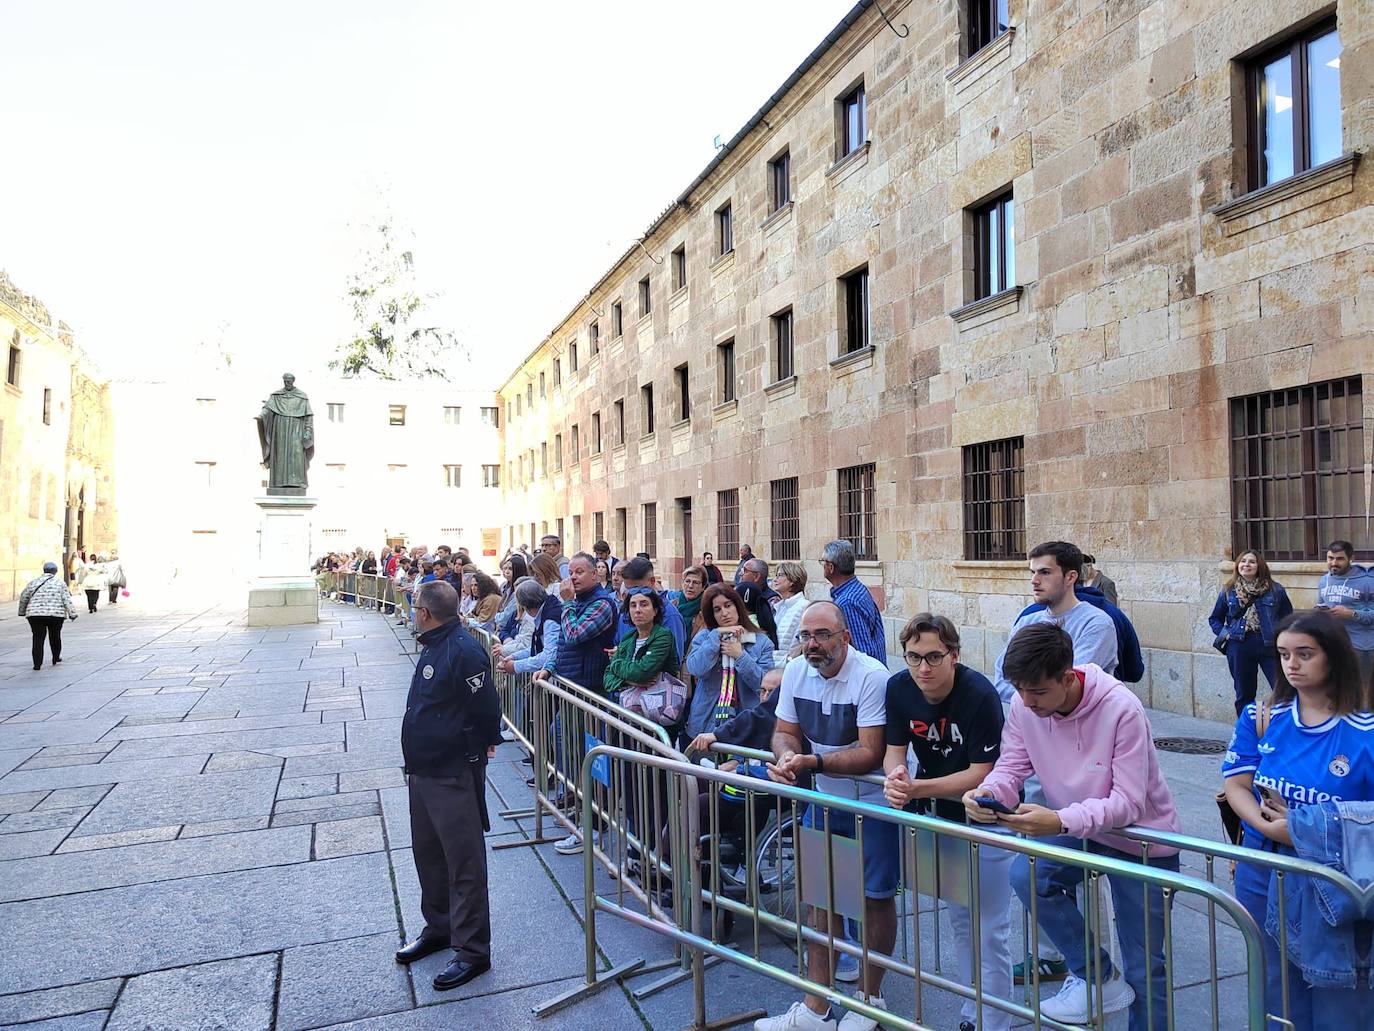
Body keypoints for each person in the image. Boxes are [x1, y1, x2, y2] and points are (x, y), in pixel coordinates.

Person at [963, 623, 1182, 1030]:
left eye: (1038, 691)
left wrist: (1060, 820)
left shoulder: (1122, 708)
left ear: (1068, 677)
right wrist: (988, 792)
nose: (1026, 702)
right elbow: (1012, 765)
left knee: (1145, 966)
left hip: (1141, 842)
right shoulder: (1023, 705)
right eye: (1020, 690)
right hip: (1079, 830)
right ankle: (1096, 977)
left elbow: (1129, 802)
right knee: (1029, 876)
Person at [1221, 610, 1373, 1029]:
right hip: (1261, 866)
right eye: (1285, 654)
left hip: (1332, 881)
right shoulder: (1262, 716)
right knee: (1274, 982)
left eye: (1305, 654)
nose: (1292, 665)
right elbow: (1237, 784)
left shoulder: (1365, 732)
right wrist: (1269, 827)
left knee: (1337, 988)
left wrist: (1307, 830)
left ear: (1335, 657)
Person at [757, 600, 896, 1031]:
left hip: (871, 805)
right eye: (805, 636)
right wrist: (785, 758)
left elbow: (872, 752)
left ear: (845, 638)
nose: (812, 644)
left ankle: (870, 1001)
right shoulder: (797, 670)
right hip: (824, 799)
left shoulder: (872, 677)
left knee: (874, 900)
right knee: (819, 898)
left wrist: (811, 763)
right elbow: (784, 732)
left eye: (822, 636)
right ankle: (815, 1006)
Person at [883, 614, 1011, 1031]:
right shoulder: (900, 688)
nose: (923, 668)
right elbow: (894, 748)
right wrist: (897, 774)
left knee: (990, 929)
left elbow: (982, 770)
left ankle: (996, 1020)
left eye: (934, 656)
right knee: (960, 920)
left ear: (954, 655)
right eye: (914, 657)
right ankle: (972, 1012)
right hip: (940, 818)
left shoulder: (979, 694)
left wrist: (918, 789)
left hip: (988, 817)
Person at [395, 580, 502, 992]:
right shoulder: (435, 643)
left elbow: (487, 707)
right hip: (422, 770)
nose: (410, 610)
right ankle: (439, 927)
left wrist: (475, 747)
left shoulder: (462, 649)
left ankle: (473, 950)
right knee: (429, 854)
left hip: (452, 772)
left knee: (464, 863)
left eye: (414, 605)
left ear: (425, 612)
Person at [534, 552, 619, 856]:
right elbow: (561, 644)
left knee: (591, 758)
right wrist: (551, 667)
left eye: (581, 571)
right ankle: (582, 809)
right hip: (571, 687)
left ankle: (593, 824)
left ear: (596, 574)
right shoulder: (579, 602)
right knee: (566, 745)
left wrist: (568, 604)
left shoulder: (601, 604)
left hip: (590, 690)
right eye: (571, 572)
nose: (574, 577)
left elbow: (574, 634)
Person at [992, 541, 1118, 704]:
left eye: (1045, 572)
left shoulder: (1097, 624)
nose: (1034, 580)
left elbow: (1069, 686)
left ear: (1070, 577)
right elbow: (1002, 682)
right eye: (1033, 572)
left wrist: (1027, 691)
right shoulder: (1026, 621)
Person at [1209, 549, 1294, 716]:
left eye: (1251, 562)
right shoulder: (1228, 591)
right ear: (1237, 565)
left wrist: (1283, 641)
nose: (1246, 565)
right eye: (1243, 561)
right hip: (1239, 645)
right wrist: (1226, 634)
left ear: (1259, 566)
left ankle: (1285, 730)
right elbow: (1215, 619)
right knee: (1244, 693)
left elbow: (1288, 619)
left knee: (1283, 690)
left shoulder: (1275, 590)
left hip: (1269, 644)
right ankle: (1245, 732)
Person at [684, 584, 774, 739]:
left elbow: (764, 686)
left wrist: (740, 656)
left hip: (745, 725)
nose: (724, 613)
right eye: (717, 609)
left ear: (737, 606)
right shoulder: (705, 637)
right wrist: (716, 637)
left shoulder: (762, 642)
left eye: (728, 605)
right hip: (707, 723)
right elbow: (695, 669)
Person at [1317, 540, 1373, 691]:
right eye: (1330, 558)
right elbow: (1320, 604)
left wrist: (1351, 613)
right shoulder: (1324, 580)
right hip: (1332, 642)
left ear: (1350, 558)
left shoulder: (1366, 580)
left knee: (1362, 690)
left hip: (1360, 646)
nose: (1334, 563)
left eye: (1340, 559)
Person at [604, 588, 679, 698]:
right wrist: (629, 681)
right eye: (633, 605)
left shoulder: (663, 635)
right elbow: (607, 679)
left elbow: (643, 672)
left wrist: (615, 664)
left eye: (644, 605)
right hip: (627, 707)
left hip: (656, 708)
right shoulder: (628, 638)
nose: (637, 610)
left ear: (655, 610)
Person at [820, 540, 886, 665]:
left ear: (831, 567)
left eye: (823, 562)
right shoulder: (855, 589)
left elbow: (863, 650)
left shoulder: (847, 602)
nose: (822, 566)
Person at [614, 556, 686, 660]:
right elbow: (618, 642)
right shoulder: (626, 611)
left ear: (652, 582)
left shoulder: (670, 615)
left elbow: (675, 660)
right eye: (629, 590)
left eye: (638, 589)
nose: (634, 595)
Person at [19, 561, 78, 670]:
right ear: (55, 571)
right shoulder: (60, 583)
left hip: (35, 614)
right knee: (55, 635)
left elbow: (24, 597)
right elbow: (66, 599)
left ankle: (37, 664)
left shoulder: (33, 582)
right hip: (55, 615)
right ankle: (55, 657)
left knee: (38, 638)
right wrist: (72, 613)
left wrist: (22, 611)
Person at [496, 578, 562, 676]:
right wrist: (514, 657)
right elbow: (536, 647)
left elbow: (549, 655)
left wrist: (516, 666)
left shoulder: (550, 619)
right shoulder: (547, 610)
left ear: (524, 605)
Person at [770, 561, 809, 669]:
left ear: (792, 580)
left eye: (780, 575)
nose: (775, 579)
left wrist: (789, 661)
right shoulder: (779, 607)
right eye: (776, 575)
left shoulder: (804, 607)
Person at [670, 564, 707, 639]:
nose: (690, 586)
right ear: (682, 583)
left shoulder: (706, 611)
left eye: (695, 582)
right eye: (687, 581)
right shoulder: (672, 606)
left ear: (703, 587)